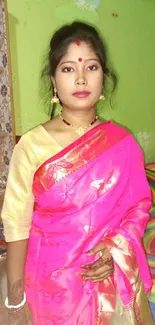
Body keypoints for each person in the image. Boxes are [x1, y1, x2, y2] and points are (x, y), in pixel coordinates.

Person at [1, 21, 154, 325]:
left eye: (92, 67)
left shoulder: (123, 145)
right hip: (50, 286)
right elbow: (16, 225)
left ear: (105, 78)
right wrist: (14, 297)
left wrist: (115, 250)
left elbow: (139, 206)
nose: (81, 79)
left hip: (108, 282)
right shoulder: (32, 146)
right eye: (68, 69)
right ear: (54, 81)